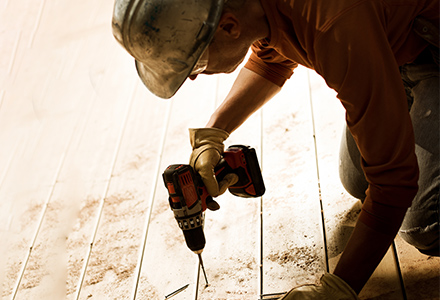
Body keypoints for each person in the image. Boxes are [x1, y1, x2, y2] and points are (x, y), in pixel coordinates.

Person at [112, 0, 439, 298]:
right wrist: (213, 132)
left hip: (430, 50)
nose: (194, 78)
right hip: (393, 47)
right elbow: (273, 58)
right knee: (356, 180)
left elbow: (394, 182)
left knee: (424, 224)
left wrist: (338, 290)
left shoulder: (337, 25)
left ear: (228, 27)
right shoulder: (258, 9)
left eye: (194, 64)